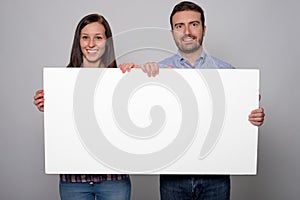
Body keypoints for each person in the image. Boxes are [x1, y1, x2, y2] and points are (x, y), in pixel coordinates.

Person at [120, 1, 265, 199]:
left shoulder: (228, 73)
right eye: (180, 26)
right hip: (173, 176)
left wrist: (252, 117)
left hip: (216, 175)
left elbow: (238, 123)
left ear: (204, 29)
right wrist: (131, 73)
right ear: (173, 32)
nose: (187, 31)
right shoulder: (157, 71)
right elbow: (139, 114)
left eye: (193, 24)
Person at [33, 14, 131, 200]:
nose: (91, 44)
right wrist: (48, 104)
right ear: (78, 41)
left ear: (107, 42)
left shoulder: (121, 78)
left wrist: (134, 76)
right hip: (74, 181)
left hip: (114, 180)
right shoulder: (61, 82)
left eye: (98, 37)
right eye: (85, 37)